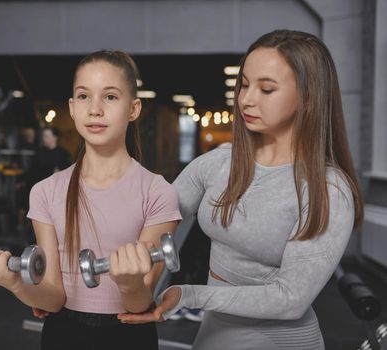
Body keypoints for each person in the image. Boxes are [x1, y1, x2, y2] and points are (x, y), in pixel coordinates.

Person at [119, 30, 364, 350]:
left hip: (279, 341)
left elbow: (289, 299)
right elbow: (148, 219)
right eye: (245, 84)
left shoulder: (328, 189)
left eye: (266, 89)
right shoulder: (218, 163)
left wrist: (191, 294)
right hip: (214, 331)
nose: (246, 99)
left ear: (308, 97)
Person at [0, 50, 181, 350]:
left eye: (110, 97)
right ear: (72, 106)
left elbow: (139, 304)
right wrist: (13, 281)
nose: (94, 109)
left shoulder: (158, 192)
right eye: (83, 96)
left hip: (129, 338)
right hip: (63, 335)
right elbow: (53, 297)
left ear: (133, 109)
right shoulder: (46, 191)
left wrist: (130, 282)